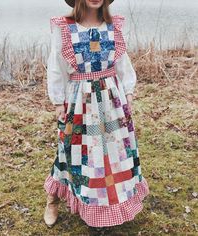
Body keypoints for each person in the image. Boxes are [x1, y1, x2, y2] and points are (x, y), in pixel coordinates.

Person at [43, 0, 150, 229]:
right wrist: (57, 101)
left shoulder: (113, 27)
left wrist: (128, 92)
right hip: (79, 99)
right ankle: (53, 198)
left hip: (112, 98)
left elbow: (123, 63)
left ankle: (110, 203)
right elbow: (56, 65)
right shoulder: (65, 28)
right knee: (73, 149)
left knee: (113, 153)